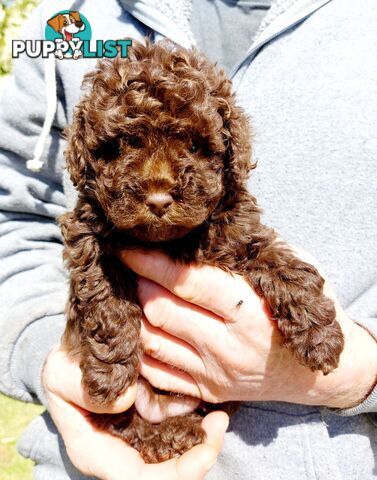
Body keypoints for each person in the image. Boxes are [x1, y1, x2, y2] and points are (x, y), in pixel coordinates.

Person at [0, 0, 376, 479]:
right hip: (88, 457)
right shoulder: (66, 17)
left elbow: (262, 254)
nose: (158, 187)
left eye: (194, 147)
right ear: (86, 159)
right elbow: (13, 216)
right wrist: (47, 355)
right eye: (125, 146)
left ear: (231, 157)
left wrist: (359, 372)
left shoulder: (231, 217)